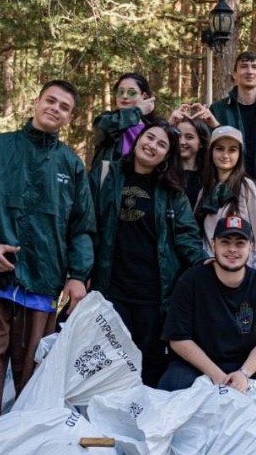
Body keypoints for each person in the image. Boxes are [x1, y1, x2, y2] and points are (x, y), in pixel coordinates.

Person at [0, 79, 96, 428]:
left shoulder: (71, 164)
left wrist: (78, 275)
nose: (55, 108)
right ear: (36, 103)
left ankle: (27, 447)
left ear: (70, 117)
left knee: (34, 371)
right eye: (50, 101)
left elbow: (82, 227)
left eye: (64, 107)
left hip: (44, 282)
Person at [89, 122, 208, 386]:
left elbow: (186, 234)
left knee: (148, 366)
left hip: (154, 296)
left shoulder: (171, 191)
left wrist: (203, 263)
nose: (152, 145)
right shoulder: (107, 173)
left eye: (161, 144)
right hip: (111, 290)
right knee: (111, 365)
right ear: (138, 138)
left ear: (167, 156)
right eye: (149, 137)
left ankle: (142, 423)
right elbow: (86, 224)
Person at [158, 216, 256, 413]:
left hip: (249, 363)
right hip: (202, 363)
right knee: (169, 389)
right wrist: (217, 376)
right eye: (225, 242)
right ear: (213, 244)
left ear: (251, 246)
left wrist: (243, 374)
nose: (232, 249)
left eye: (240, 243)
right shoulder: (190, 282)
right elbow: (178, 339)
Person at [184, 51, 256, 178]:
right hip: (227, 184)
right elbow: (208, 149)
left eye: (254, 67)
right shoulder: (218, 110)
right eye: (244, 66)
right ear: (235, 75)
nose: (249, 71)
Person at [195, 126, 256, 276]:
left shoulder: (248, 188)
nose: (225, 155)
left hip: (243, 275)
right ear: (211, 152)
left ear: (239, 154)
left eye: (232, 150)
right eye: (219, 149)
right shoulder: (205, 191)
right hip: (210, 274)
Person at [90, 72, 158, 170]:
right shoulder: (107, 119)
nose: (125, 96)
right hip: (108, 183)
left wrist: (171, 125)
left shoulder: (150, 128)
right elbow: (101, 130)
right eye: (120, 92)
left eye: (131, 93)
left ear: (144, 96)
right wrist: (138, 111)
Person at [175, 114, 211, 208]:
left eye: (189, 137)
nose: (181, 142)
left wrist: (216, 126)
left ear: (201, 143)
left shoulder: (210, 176)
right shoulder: (164, 171)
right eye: (178, 136)